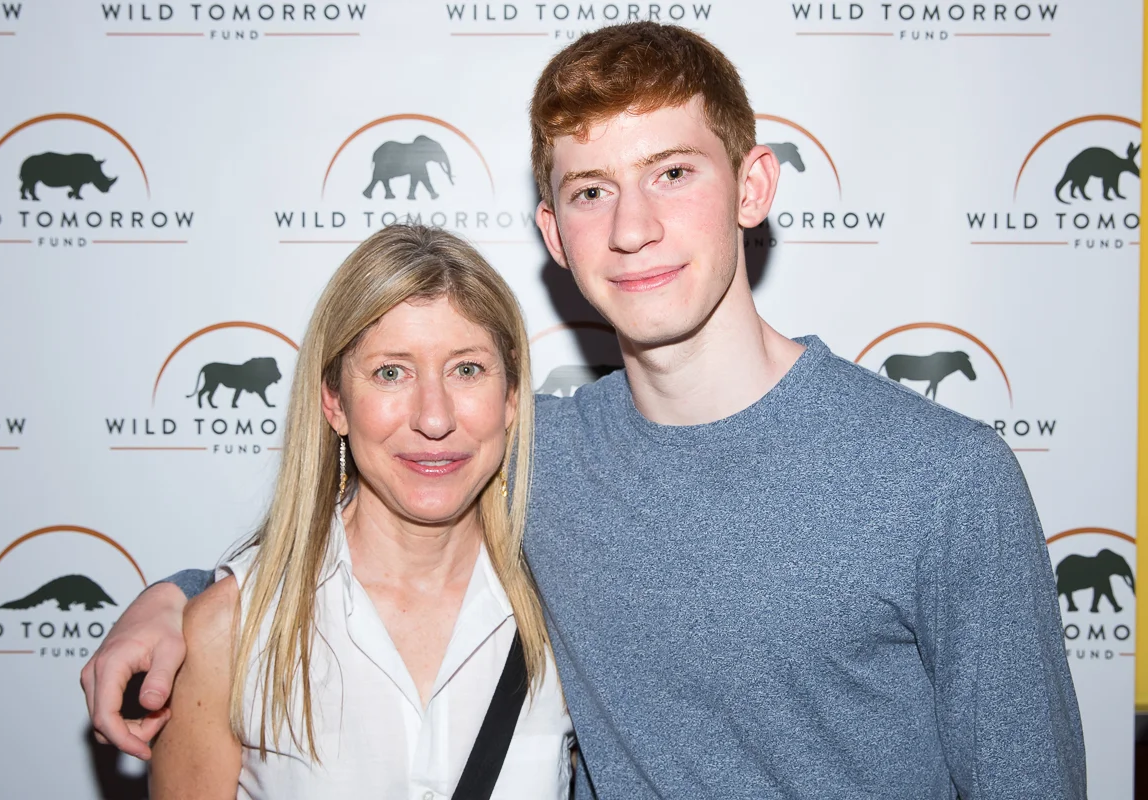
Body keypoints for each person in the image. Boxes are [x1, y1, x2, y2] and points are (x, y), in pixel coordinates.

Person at [82, 21, 1085, 799]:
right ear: (554, 234)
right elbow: (354, 523)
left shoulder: (943, 479)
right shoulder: (535, 454)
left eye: (673, 173)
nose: (634, 226)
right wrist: (179, 599)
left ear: (753, 186)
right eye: (593, 191)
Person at [145, 224, 573, 798]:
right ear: (334, 401)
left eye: (467, 369)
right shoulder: (229, 632)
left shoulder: (572, 617)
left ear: (512, 395)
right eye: (391, 372)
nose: (434, 418)